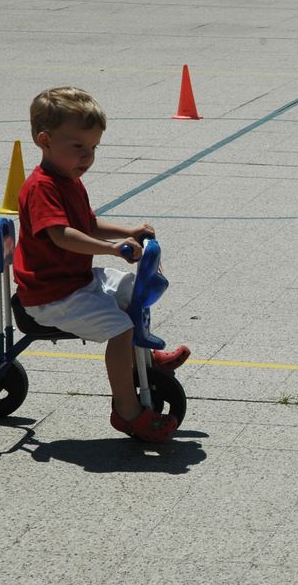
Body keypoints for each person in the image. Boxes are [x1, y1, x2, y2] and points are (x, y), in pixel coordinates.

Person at [13, 86, 190, 442]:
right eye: (78, 146)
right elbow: (63, 235)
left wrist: (128, 230)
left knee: (130, 290)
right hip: (52, 296)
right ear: (45, 141)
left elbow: (87, 223)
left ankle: (143, 357)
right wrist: (111, 249)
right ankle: (126, 410)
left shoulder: (69, 180)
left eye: (94, 148)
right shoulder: (43, 187)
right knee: (120, 328)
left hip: (74, 281)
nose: (87, 156)